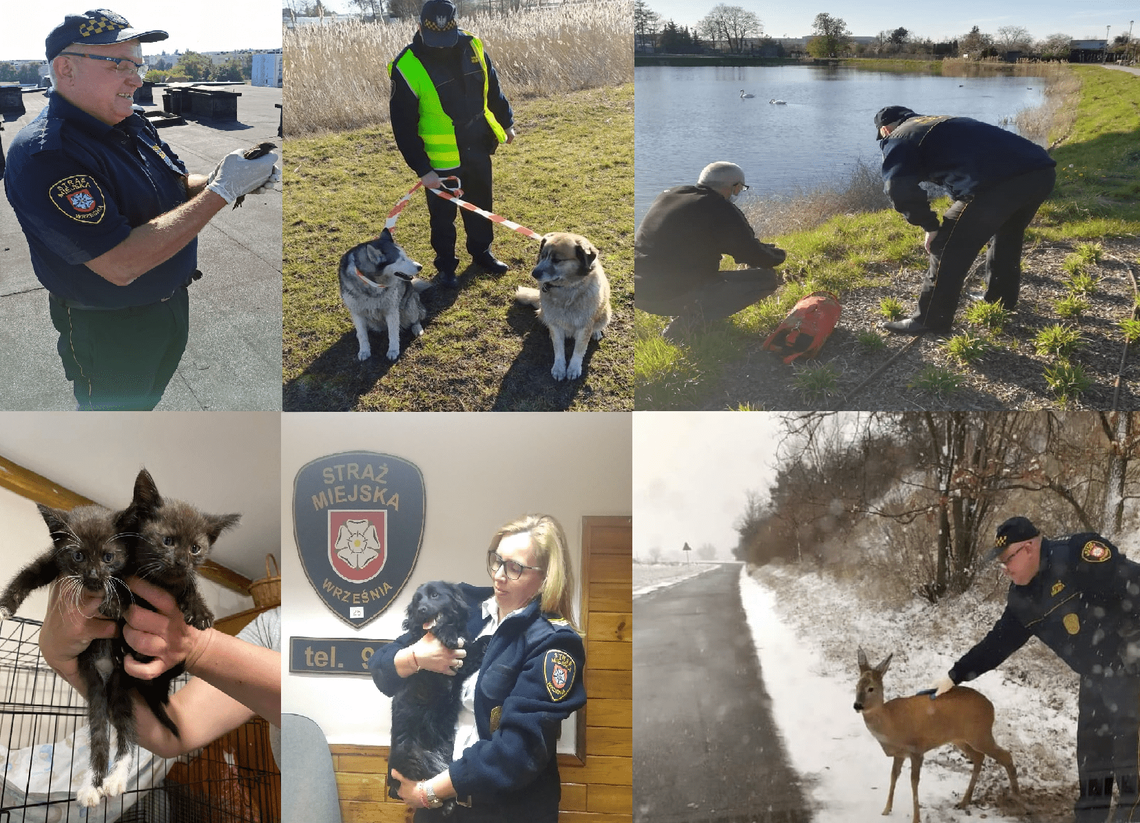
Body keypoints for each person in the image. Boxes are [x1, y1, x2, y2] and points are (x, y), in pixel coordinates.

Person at [3, 9, 280, 411]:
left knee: (144, 409)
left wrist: (230, 177)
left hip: (169, 307)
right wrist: (222, 190)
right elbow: (120, 263)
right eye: (119, 64)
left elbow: (177, 184)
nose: (136, 78)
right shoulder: (48, 154)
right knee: (114, 424)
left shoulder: (128, 121)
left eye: (138, 64)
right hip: (110, 329)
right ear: (66, 68)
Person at [370, 514, 586, 821]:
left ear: (545, 577)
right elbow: (381, 668)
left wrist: (429, 791)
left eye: (515, 568)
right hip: (437, 811)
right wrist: (415, 657)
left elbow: (516, 752)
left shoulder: (553, 642)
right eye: (497, 561)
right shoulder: (463, 608)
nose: (498, 575)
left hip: (501, 812)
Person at [930, 516, 1140, 823]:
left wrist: (1133, 639)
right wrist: (955, 675)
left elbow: (1134, 584)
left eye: (1007, 561)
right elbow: (997, 644)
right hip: (1095, 678)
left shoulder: (1078, 554)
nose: (1005, 569)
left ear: (1028, 548)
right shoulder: (1023, 599)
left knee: (1130, 765)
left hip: (1132, 673)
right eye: (1001, 564)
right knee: (1093, 765)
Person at [38, 575, 281, 759]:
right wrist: (71, 667)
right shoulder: (269, 628)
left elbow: (318, 707)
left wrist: (199, 647)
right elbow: (176, 732)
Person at [873, 105, 1057, 334]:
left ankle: (930, 320)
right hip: (1040, 171)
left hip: (997, 184)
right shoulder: (940, 121)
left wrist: (930, 226)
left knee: (947, 245)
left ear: (884, 131)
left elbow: (898, 188)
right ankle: (1000, 300)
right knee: (1006, 234)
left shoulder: (899, 136)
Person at [388, 0, 515, 287]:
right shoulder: (406, 65)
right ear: (419, 28)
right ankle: (446, 265)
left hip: (478, 144)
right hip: (439, 159)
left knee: (481, 204)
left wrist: (506, 122)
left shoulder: (473, 46)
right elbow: (403, 126)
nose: (442, 46)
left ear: (456, 27)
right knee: (443, 218)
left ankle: (482, 252)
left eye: (448, 38)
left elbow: (492, 86)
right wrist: (423, 169)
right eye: (435, 39)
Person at [634, 161, 786, 341]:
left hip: (639, 290)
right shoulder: (720, 208)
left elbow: (712, 239)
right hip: (667, 295)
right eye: (740, 189)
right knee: (766, 280)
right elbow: (753, 255)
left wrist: (760, 248)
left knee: (690, 275)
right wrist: (779, 256)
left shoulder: (670, 195)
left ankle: (691, 309)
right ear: (735, 187)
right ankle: (686, 326)